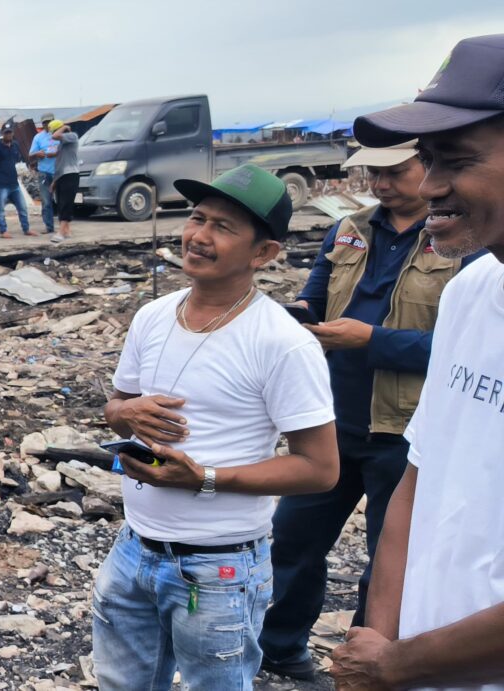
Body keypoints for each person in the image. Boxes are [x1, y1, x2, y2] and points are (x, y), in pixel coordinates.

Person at [95, 164, 339, 690]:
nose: (199, 237)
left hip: (219, 568)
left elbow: (320, 470)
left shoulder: (283, 343)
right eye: (197, 218)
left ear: (263, 254)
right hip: (133, 547)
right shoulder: (153, 316)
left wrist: (203, 477)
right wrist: (121, 414)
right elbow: (118, 403)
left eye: (224, 227)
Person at [259, 140, 482, 681]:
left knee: (384, 562)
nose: (381, 184)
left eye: (395, 172)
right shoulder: (349, 228)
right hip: (333, 419)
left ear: (424, 168)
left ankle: (361, 667)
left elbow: (459, 349)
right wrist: (294, 318)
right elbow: (314, 297)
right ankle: (279, 650)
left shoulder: (461, 240)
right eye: (372, 174)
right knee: (293, 541)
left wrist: (372, 340)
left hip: (403, 429)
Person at [330, 33, 504, 690]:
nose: (428, 186)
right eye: (423, 160)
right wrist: (379, 640)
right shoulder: (469, 293)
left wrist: (397, 663)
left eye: (453, 160)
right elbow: (418, 479)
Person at [0, 123, 32, 238]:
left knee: (22, 207)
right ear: (2, 134)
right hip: (1, 184)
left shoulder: (15, 146)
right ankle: (3, 230)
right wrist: (2, 173)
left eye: (10, 132)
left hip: (14, 183)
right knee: (1, 208)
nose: (9, 135)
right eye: (6, 132)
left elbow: (17, 160)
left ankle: (26, 229)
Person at [49, 119, 80, 243]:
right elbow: (59, 163)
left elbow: (55, 135)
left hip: (71, 174)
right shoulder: (62, 144)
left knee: (66, 203)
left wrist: (64, 127)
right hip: (62, 175)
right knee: (61, 203)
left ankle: (61, 232)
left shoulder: (72, 136)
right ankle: (66, 230)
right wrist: (54, 182)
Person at [29, 113, 59, 234]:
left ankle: (64, 226)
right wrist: (37, 154)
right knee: (46, 201)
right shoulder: (38, 137)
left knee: (62, 201)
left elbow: (68, 149)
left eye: (49, 122)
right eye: (45, 123)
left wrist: (57, 152)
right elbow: (30, 154)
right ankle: (49, 227)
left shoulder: (60, 135)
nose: (47, 124)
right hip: (44, 173)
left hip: (59, 172)